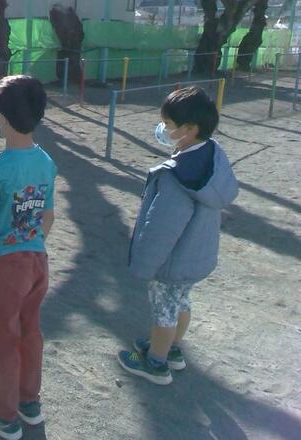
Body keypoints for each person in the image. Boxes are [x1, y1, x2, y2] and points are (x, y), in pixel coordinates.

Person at [117, 86, 238, 385]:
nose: (163, 129)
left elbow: (162, 227)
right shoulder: (213, 156)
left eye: (168, 124)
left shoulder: (175, 177)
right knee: (181, 303)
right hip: (197, 258)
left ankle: (156, 363)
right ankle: (171, 347)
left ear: (189, 129)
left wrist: (145, 265)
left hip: (172, 263)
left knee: (164, 311)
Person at [0, 75, 58, 440]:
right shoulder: (46, 162)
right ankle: (28, 402)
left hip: (5, 267)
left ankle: (3, 415)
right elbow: (47, 215)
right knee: (29, 333)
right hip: (37, 261)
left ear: (0, 118)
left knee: (2, 341)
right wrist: (33, 242)